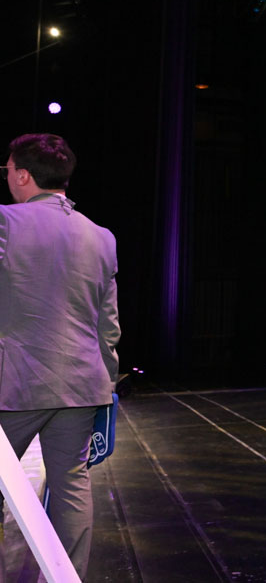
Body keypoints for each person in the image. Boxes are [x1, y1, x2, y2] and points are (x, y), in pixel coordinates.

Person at [0, 133, 120, 580]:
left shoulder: (6, 223)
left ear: (23, 175)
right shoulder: (101, 236)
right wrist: (107, 384)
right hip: (82, 384)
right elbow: (108, 325)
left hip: (15, 384)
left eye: (7, 169)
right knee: (71, 488)